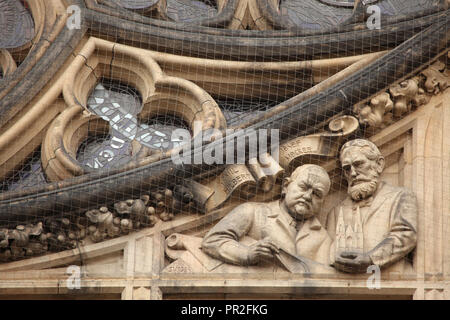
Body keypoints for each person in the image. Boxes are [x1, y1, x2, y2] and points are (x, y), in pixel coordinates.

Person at [201, 164, 333, 268]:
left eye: (317, 194)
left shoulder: (323, 238)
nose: (308, 196)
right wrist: (247, 253)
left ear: (322, 203)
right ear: (286, 186)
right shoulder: (252, 211)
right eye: (303, 187)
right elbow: (212, 240)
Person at [327, 139, 417, 273]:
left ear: (379, 164)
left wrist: (371, 258)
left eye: (358, 164)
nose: (353, 173)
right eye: (347, 168)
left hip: (389, 282)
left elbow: (405, 235)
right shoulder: (336, 211)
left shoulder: (400, 196)